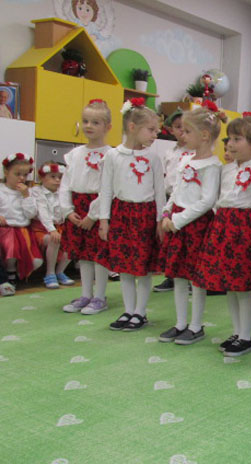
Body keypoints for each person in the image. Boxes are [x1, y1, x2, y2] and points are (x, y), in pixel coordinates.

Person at [197, 113, 251, 355]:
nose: (230, 144)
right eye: (230, 139)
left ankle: (246, 336)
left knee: (243, 287)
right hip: (225, 228)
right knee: (229, 285)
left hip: (244, 231)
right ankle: (237, 332)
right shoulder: (226, 170)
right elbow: (219, 200)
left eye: (237, 139)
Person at [159, 104, 225, 345]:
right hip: (176, 223)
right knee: (178, 275)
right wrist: (167, 211)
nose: (182, 135)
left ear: (204, 135)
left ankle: (196, 326)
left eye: (187, 131)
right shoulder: (186, 160)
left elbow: (207, 201)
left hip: (196, 226)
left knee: (196, 279)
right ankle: (180, 323)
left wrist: (178, 220)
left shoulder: (213, 165)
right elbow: (176, 189)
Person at [99, 98, 165, 331]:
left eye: (156, 130)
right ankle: (129, 310)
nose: (155, 134)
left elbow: (160, 191)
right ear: (132, 127)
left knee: (142, 268)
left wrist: (160, 220)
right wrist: (104, 219)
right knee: (125, 267)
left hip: (145, 215)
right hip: (121, 214)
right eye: (151, 129)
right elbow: (106, 190)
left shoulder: (153, 158)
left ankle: (140, 312)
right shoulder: (113, 156)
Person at [60, 99, 113, 314]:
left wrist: (94, 214)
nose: (89, 126)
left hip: (98, 210)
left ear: (108, 127)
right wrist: (67, 210)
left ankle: (99, 296)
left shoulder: (111, 155)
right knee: (83, 255)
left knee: (99, 255)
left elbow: (109, 188)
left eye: (95, 122)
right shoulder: (74, 154)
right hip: (77, 207)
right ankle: (85, 294)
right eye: (85, 121)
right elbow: (65, 184)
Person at [154, 108, 192, 293]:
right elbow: (166, 177)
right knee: (170, 241)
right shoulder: (170, 152)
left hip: (188, 201)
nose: (182, 131)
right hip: (171, 198)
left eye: (186, 127)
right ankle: (170, 276)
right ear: (171, 130)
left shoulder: (194, 152)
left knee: (187, 241)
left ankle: (189, 276)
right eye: (178, 127)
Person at [31, 162, 74, 289]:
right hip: (41, 229)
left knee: (74, 241)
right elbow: (43, 212)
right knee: (53, 239)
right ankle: (50, 273)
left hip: (59, 227)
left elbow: (66, 210)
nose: (57, 180)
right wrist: (52, 229)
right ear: (42, 177)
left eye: (60, 177)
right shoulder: (37, 192)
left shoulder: (63, 192)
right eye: (53, 177)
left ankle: (60, 271)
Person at [0, 153, 42, 284]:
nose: (22, 178)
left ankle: (18, 272)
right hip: (5, 230)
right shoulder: (1, 190)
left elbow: (31, 214)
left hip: (24, 231)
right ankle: (10, 273)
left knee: (37, 261)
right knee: (11, 247)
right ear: (6, 172)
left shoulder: (28, 192)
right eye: (17, 174)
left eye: (25, 175)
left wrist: (26, 196)